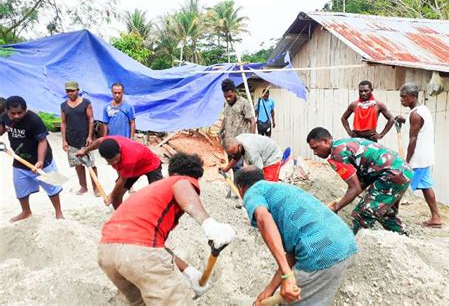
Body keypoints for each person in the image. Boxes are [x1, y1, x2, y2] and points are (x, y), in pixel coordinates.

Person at [97, 152, 236, 305]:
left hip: (107, 253)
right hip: (138, 253)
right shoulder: (181, 180)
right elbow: (182, 184)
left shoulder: (147, 193)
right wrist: (209, 225)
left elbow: (153, 248)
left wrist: (189, 272)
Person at [235, 166, 357, 306]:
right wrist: (269, 290)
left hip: (320, 253)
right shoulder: (279, 190)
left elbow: (263, 218)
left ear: (240, 188)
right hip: (345, 243)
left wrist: (288, 275)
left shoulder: (251, 193)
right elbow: (292, 254)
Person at [307, 127, 413, 236]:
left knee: (362, 215)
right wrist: (343, 200)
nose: (315, 153)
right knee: (384, 212)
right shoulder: (344, 144)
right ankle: (404, 239)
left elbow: (355, 188)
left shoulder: (337, 155)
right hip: (402, 170)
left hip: (392, 174)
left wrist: (336, 207)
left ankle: (353, 248)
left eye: (316, 148)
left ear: (326, 141)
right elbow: (362, 181)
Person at [0, 96, 64, 222]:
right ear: (7, 111)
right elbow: (2, 129)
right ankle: (26, 211)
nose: (17, 116)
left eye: (20, 113)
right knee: (20, 188)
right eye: (13, 113)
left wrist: (40, 161)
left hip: (42, 160)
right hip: (19, 159)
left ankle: (58, 212)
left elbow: (42, 141)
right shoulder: (4, 117)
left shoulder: (34, 120)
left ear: (25, 110)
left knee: (52, 187)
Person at [396, 83, 442, 228]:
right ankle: (436, 217)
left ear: (413, 97)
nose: (401, 100)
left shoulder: (415, 114)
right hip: (425, 156)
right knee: (426, 185)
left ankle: (390, 212)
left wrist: (407, 161)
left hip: (418, 158)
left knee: (400, 182)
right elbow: (417, 126)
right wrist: (404, 120)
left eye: (404, 97)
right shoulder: (421, 110)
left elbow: (413, 140)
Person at [76, 136, 162, 209]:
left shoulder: (129, 160)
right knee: (117, 197)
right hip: (133, 167)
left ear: (119, 150)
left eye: (116, 159)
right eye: (111, 161)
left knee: (156, 195)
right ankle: (120, 216)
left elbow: (122, 180)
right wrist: (85, 151)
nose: (115, 163)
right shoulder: (107, 142)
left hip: (151, 165)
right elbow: (98, 141)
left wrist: (112, 195)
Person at [60, 81, 98, 196]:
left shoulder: (86, 103)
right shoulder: (63, 105)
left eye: (72, 90)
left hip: (85, 139)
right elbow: (63, 122)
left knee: (91, 164)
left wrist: (90, 136)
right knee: (77, 164)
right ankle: (83, 186)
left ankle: (96, 187)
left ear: (78, 90)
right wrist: (64, 140)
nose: (70, 93)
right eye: (68, 91)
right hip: (71, 139)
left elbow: (91, 119)